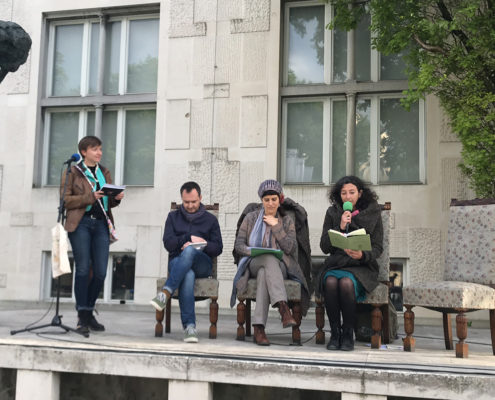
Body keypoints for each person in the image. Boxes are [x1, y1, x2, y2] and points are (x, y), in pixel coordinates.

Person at [231, 179, 309, 346]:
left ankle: (259, 328)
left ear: (279, 200)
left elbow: (290, 248)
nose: (271, 203)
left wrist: (276, 227)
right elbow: (239, 245)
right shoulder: (250, 218)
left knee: (265, 271)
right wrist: (253, 251)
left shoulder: (286, 220)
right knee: (267, 259)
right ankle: (283, 308)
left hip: (281, 267)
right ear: (262, 200)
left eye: (274, 199)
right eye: (267, 200)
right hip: (253, 262)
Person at [61, 136, 124, 336]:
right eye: (95, 149)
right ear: (84, 152)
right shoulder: (73, 171)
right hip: (81, 223)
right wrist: (91, 196)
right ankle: (83, 315)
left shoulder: (104, 172)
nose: (99, 153)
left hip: (101, 225)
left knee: (100, 272)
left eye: (100, 149)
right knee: (82, 269)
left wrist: (116, 198)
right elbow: (65, 201)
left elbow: (108, 202)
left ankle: (87, 312)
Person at [314, 175, 383, 351]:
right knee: (330, 281)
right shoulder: (332, 212)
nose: (348, 197)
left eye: (352, 192)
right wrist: (339, 226)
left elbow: (377, 248)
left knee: (346, 283)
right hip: (337, 263)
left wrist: (361, 255)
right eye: (343, 193)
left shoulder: (373, 213)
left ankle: (348, 333)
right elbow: (324, 246)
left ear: (360, 193)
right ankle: (335, 333)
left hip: (361, 266)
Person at [150, 182, 223, 343]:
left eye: (193, 202)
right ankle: (190, 327)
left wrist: (201, 243)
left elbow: (218, 248)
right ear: (182, 199)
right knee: (188, 274)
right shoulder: (173, 217)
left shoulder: (210, 220)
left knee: (190, 250)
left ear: (200, 198)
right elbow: (168, 244)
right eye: (186, 202)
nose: (190, 206)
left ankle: (166, 292)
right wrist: (187, 238)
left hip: (202, 264)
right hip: (177, 262)